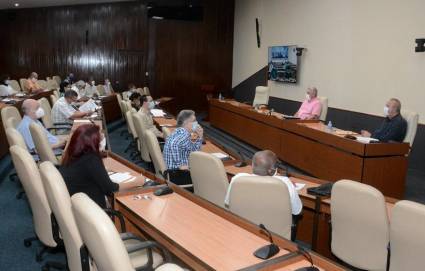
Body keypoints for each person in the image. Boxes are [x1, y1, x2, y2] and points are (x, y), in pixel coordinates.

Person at [59, 124, 145, 208]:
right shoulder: (91, 159)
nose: (102, 138)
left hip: (78, 207)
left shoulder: (71, 155)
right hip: (92, 210)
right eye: (99, 137)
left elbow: (84, 172)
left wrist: (101, 170)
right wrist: (137, 182)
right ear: (93, 142)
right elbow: (111, 189)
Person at [224, 150, 302, 215]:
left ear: (252, 165)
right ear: (273, 170)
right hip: (274, 231)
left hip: (245, 226)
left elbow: (228, 203)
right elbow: (297, 211)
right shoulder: (285, 183)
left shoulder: (238, 178)